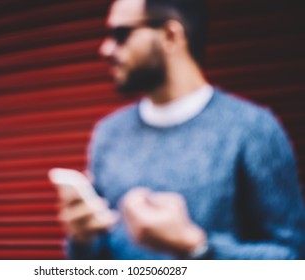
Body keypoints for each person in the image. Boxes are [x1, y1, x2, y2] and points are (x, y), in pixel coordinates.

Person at [56, 0, 305, 259]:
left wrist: (196, 247)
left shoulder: (253, 129)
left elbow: (293, 258)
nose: (105, 49)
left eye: (121, 35)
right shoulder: (108, 134)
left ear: (170, 36)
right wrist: (82, 239)